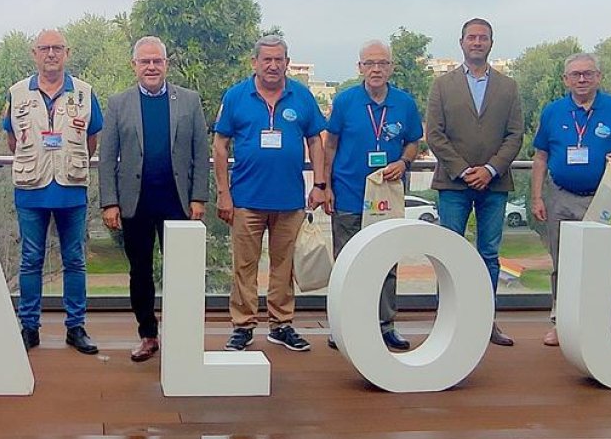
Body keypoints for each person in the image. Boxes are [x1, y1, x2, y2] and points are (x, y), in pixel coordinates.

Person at [98, 36, 210, 362]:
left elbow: (200, 153)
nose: (151, 67)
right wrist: (110, 202)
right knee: (140, 272)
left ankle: (180, 335)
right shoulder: (118, 103)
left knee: (180, 272)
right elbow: (107, 158)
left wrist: (199, 197)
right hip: (135, 203)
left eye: (156, 61)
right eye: (144, 61)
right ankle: (148, 335)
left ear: (166, 65)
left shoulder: (189, 101)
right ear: (134, 65)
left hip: (178, 202)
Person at [214, 34, 327, 353]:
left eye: (279, 59)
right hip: (246, 199)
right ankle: (243, 326)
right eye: (267, 59)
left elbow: (315, 141)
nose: (273, 65)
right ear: (255, 62)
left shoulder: (302, 96)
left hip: (289, 200)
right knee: (244, 267)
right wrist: (223, 193)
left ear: (287, 63)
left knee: (284, 266)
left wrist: (320, 184)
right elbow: (220, 146)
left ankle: (281, 325)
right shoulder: (236, 96)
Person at [530, 52, 611, 346]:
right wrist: (536, 197)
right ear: (565, 80)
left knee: (601, 264)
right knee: (562, 263)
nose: (582, 79)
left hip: (605, 199)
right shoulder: (553, 111)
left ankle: (603, 326)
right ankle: (561, 323)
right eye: (576, 74)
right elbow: (540, 157)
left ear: (598, 77)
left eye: (588, 73)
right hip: (561, 198)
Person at [3, 29, 104, 354]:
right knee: (31, 259)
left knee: (74, 259)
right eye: (44, 48)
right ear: (34, 54)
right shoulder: (17, 92)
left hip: (71, 188)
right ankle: (29, 327)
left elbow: (91, 140)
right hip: (31, 189)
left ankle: (76, 327)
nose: (51, 54)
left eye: (57, 48)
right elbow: (12, 140)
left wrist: (69, 161)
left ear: (67, 53)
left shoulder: (85, 93)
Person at [426, 18, 523, 347]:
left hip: (494, 185)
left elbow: (515, 135)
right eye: (472, 37)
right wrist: (464, 170)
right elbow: (434, 134)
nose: (477, 42)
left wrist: (491, 170)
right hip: (453, 184)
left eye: (483, 38)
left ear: (491, 43)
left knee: (489, 254)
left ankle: (485, 320)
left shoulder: (508, 87)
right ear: (462, 42)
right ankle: (447, 319)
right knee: (449, 253)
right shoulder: (442, 85)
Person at [323, 40, 423, 351]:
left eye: (382, 63)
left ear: (391, 68)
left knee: (387, 262)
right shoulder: (345, 101)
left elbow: (413, 142)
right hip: (348, 193)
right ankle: (344, 325)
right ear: (360, 68)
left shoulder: (405, 103)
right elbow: (330, 145)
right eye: (369, 63)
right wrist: (325, 186)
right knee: (347, 264)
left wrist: (403, 162)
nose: (376, 69)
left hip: (386, 196)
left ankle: (385, 325)